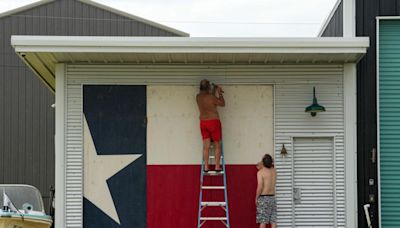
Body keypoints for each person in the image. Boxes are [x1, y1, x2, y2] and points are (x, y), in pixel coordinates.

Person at [196, 79, 225, 172]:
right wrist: (219, 93)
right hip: (213, 121)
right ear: (208, 87)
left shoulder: (198, 97)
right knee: (217, 145)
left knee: (206, 146)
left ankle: (206, 167)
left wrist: (213, 91)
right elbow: (222, 104)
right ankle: (217, 167)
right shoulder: (211, 97)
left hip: (203, 122)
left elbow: (209, 99)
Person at [256, 154, 277, 228]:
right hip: (273, 198)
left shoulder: (260, 173)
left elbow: (260, 186)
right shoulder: (274, 170)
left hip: (263, 198)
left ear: (263, 162)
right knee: (273, 220)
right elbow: (268, 164)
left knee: (263, 221)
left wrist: (256, 198)